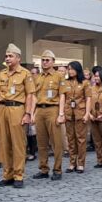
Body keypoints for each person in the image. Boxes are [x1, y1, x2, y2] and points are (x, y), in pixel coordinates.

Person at [0, 43, 36, 188]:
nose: (7, 58)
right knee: (4, 144)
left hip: (17, 109)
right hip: (3, 109)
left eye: (10, 56)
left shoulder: (25, 73)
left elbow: (30, 95)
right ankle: (7, 175)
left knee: (18, 144)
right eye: (6, 56)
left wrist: (28, 114)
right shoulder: (1, 74)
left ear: (18, 58)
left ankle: (18, 176)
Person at [33, 50, 67, 180]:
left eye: (47, 60)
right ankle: (43, 169)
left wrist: (61, 113)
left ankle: (57, 169)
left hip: (53, 109)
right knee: (41, 142)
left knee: (56, 142)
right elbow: (35, 96)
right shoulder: (38, 77)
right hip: (40, 110)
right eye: (43, 60)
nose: (44, 62)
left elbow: (62, 95)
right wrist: (32, 113)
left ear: (53, 61)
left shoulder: (59, 76)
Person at [64, 61, 91, 173]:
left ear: (77, 69)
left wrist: (87, 114)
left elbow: (88, 98)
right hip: (69, 114)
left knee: (81, 139)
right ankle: (72, 162)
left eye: (72, 69)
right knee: (70, 139)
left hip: (80, 113)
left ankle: (80, 163)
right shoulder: (65, 82)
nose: (70, 71)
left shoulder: (85, 83)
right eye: (69, 69)